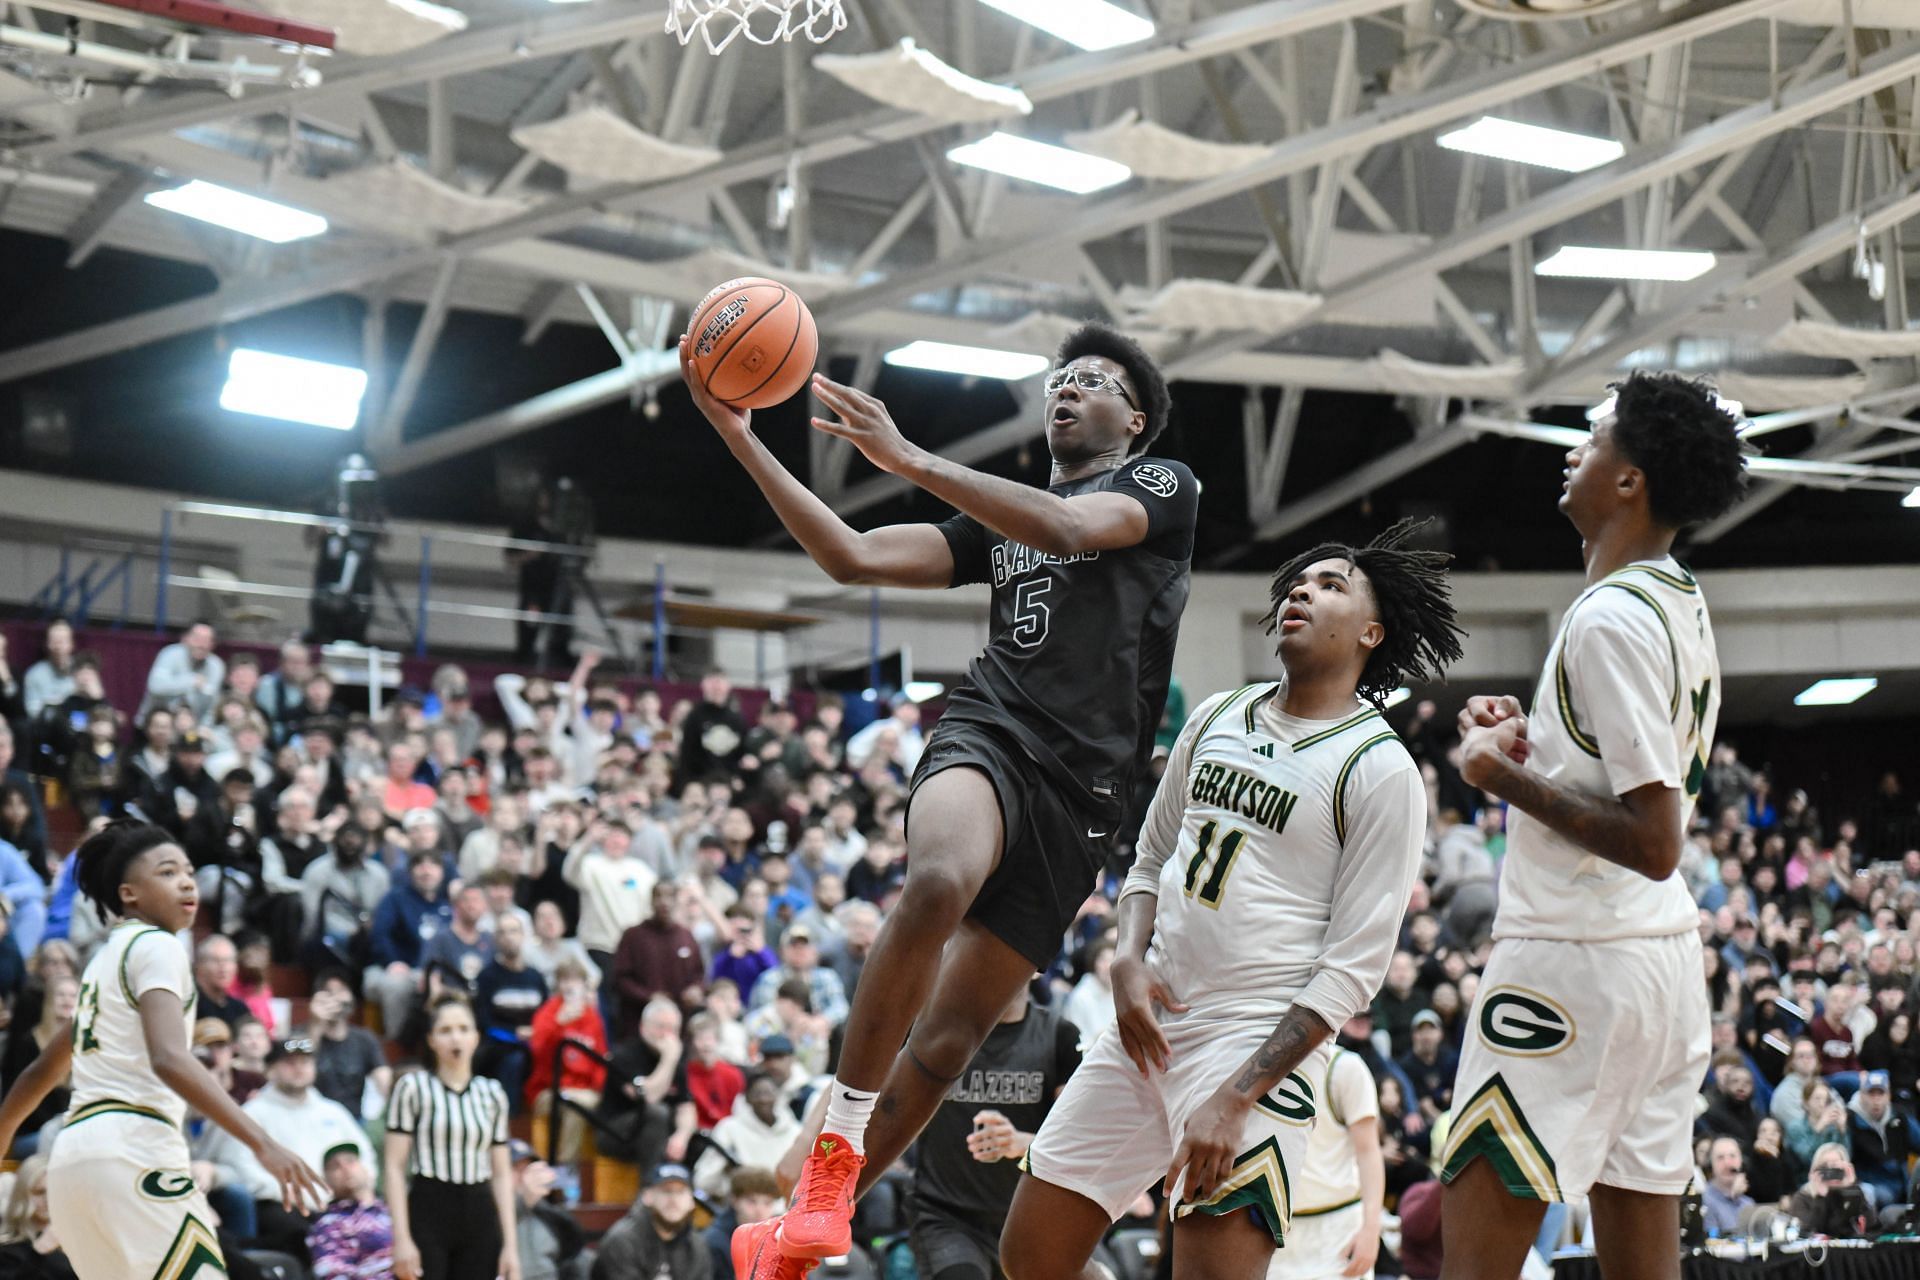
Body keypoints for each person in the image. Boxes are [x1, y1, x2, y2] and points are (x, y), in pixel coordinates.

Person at [687, 322, 1197, 1276]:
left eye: (1092, 382)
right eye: (1059, 379)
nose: (1068, 390)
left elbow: (1070, 527)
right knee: (938, 880)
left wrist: (909, 455)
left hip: (1084, 793)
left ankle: (801, 1233)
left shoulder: (1161, 486)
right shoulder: (997, 520)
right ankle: (833, 1163)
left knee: (956, 1035)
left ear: (1133, 418)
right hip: (991, 732)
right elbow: (851, 555)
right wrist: (737, 431)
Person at [998, 523, 1460, 1280]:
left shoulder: (1379, 770)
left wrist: (1237, 1095)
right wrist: (1124, 959)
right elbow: (1149, 859)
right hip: (1147, 1024)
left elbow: (1354, 971)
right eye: (1299, 582)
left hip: (1249, 1043)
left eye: (1331, 584)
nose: (1303, 591)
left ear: (1371, 633)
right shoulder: (1217, 715)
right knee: (1030, 1256)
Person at [1438, 373, 1750, 1280]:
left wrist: (1500, 777)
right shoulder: (1675, 597)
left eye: (1595, 436)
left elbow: (1655, 841)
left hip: (1573, 958)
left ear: (1630, 481)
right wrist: (1537, 753)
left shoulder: (1607, 617)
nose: (1575, 449)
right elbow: (1623, 778)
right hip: (1660, 969)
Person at [0, 821, 328, 1280]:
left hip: (73, 1165)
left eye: (189, 871)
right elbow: (170, 1058)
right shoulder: (159, 947)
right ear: (129, 893)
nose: (187, 881)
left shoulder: (100, 966)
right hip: (135, 1151)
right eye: (168, 872)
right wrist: (264, 1144)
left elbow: (40, 1071)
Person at [908, 983, 1080, 1280]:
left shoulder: (1060, 1035)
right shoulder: (933, 1028)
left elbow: (1078, 1143)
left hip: (1027, 1218)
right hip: (945, 1214)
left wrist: (1022, 1143)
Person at [202, 1036, 377, 1258]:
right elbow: (241, 1167)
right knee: (300, 1236)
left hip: (339, 1200)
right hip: (280, 1204)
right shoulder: (253, 1113)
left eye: (305, 1062)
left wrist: (362, 1185)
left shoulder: (333, 1111)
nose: (298, 1069)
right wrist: (292, 1194)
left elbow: (365, 1155)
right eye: (290, 1063)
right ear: (272, 1069)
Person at [384, 993, 519, 1280]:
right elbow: (394, 1168)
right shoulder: (412, 1088)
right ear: (431, 1040)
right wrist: (401, 1238)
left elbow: (502, 1173)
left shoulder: (492, 1093)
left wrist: (511, 1246)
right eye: (445, 1031)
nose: (455, 1038)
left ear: (476, 1037)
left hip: (480, 1212)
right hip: (429, 1207)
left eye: (463, 1029)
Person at [1268, 1046, 1385, 1280]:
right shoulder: (1259, 1060)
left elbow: (1369, 1151)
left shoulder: (1345, 1066)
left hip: (1339, 1229)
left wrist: (1372, 1229)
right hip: (1275, 1231)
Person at [612, 881, 706, 1035]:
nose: (664, 902)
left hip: (678, 1026)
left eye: (670, 896)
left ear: (677, 901)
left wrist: (696, 989)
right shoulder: (633, 936)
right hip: (638, 1026)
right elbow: (620, 980)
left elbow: (699, 974)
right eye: (659, 896)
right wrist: (648, 996)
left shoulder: (686, 936)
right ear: (651, 901)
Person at [593, 1162, 711, 1280]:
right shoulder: (622, 1241)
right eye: (666, 1191)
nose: (674, 1200)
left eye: (681, 1192)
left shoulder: (697, 1246)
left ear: (692, 1201)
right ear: (647, 1196)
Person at [695, 1074, 803, 1198]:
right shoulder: (729, 1128)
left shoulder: (796, 1131)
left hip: (786, 1208)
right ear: (746, 1098)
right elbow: (703, 1180)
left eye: (768, 1093)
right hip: (741, 1208)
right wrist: (731, 1183)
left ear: (777, 1095)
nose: (763, 1099)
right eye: (757, 1094)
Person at [308, 971, 392, 1117]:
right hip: (312, 1118)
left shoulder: (365, 1038)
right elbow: (298, 1062)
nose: (335, 998)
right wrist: (315, 1025)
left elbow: (384, 1079)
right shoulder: (299, 1035)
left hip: (353, 1120)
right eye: (328, 992)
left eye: (341, 990)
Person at [307, 1142, 395, 1280]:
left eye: (350, 1161)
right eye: (335, 1166)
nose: (345, 1168)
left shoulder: (396, 1210)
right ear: (326, 1182)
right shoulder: (329, 1224)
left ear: (366, 1169)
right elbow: (332, 1273)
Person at [508, 1140, 588, 1280]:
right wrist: (523, 1201)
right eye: (516, 1168)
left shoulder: (548, 1214)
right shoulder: (485, 1215)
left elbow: (573, 1251)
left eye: (528, 1168)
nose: (525, 1176)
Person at [1843, 1068, 1918, 1210]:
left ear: (1888, 1095)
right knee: (1873, 1193)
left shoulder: (1899, 1116)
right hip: (1869, 1185)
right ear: (1862, 1095)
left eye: (1880, 1093)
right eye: (1871, 1093)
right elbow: (1843, 1155)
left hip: (1902, 1183)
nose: (1876, 1100)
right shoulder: (1849, 1119)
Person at [139, 620, 226, 723]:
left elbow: (213, 705)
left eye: (206, 640)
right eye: (197, 638)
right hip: (153, 725)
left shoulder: (216, 665)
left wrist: (204, 728)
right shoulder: (170, 654)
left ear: (212, 644)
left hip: (192, 729)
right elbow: (155, 686)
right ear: (186, 639)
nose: (201, 645)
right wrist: (191, 681)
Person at [1785, 1143, 1871, 1237]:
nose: (1831, 1170)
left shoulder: (1853, 1193)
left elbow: (1870, 1227)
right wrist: (1821, 1197)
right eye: (1825, 1165)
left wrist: (1850, 1189)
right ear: (1816, 1169)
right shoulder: (1803, 1197)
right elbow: (1807, 1232)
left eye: (1835, 1165)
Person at [1699, 1136, 1754, 1237]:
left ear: (1741, 1161)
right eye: (1720, 1157)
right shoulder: (1704, 1201)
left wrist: (1734, 1198)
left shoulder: (1748, 1203)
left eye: (1732, 1156)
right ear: (1711, 1164)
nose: (1727, 1163)